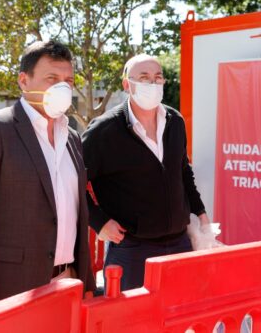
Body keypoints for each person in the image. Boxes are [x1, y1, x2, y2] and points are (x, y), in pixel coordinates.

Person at [0, 41, 95, 313]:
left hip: (68, 284)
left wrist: (86, 282)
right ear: (24, 81)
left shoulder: (73, 138)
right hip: (10, 293)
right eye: (52, 78)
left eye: (68, 81)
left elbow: (75, 214)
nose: (62, 88)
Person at [82, 54, 209, 290]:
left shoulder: (175, 121)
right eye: (144, 78)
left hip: (180, 244)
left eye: (158, 77)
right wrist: (99, 223)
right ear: (126, 84)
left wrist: (200, 212)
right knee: (131, 314)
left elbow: (183, 171)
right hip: (131, 250)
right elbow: (74, 183)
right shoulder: (104, 130)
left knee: (178, 312)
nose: (152, 83)